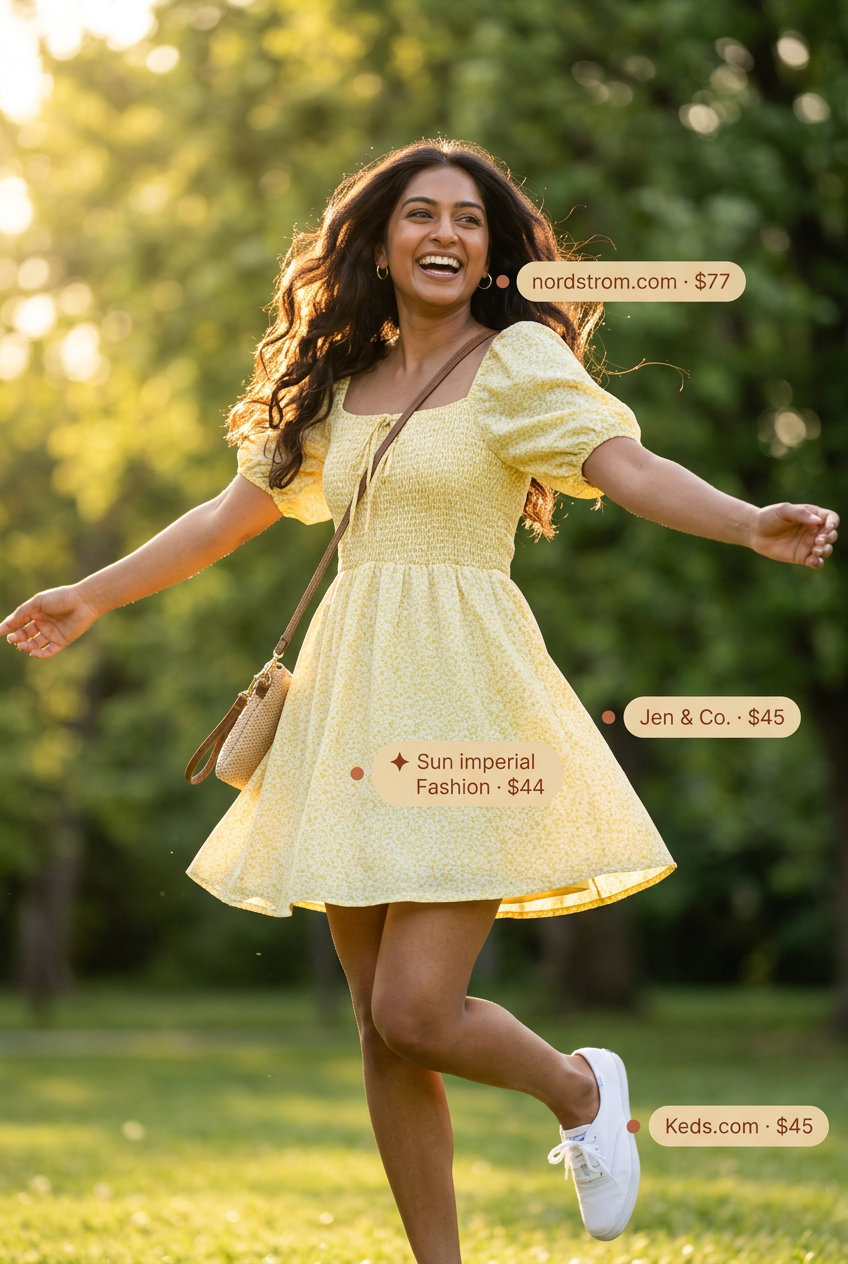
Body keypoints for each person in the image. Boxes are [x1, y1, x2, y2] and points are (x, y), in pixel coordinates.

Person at [1, 138, 838, 1262]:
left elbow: (625, 468)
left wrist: (744, 520)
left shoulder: (521, 362)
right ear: (378, 241)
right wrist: (90, 596)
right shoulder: (336, 389)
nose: (443, 233)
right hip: (353, 709)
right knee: (379, 1032)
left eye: (467, 219)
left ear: (492, 248)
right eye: (418, 214)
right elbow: (220, 518)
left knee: (415, 1009)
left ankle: (580, 1088)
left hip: (467, 705)